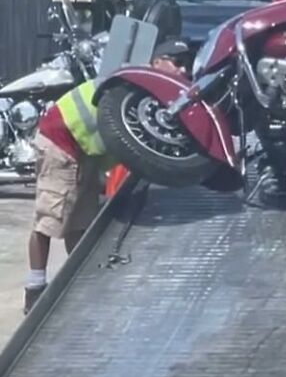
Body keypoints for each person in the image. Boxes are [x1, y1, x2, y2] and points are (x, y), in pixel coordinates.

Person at [24, 42, 188, 314]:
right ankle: (34, 289)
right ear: (157, 61)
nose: (182, 70)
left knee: (80, 224)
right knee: (49, 219)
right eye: (176, 62)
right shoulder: (135, 84)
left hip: (86, 151)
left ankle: (78, 284)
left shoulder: (151, 89)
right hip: (61, 142)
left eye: (186, 65)